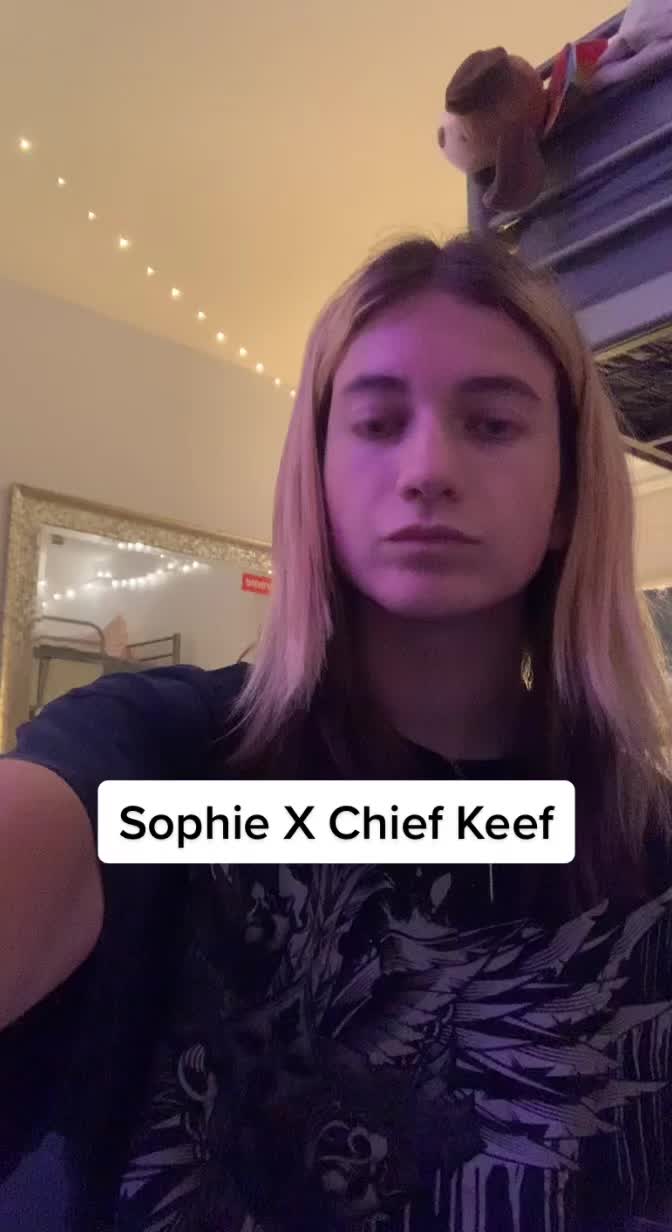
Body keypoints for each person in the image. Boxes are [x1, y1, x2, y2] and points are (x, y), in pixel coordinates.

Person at [1, 232, 671, 1232]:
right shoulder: (164, 761)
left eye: (492, 423)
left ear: (570, 494)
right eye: (376, 422)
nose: (428, 470)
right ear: (314, 474)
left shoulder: (644, 841)